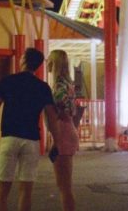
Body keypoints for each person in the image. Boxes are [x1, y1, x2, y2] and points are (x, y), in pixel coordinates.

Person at [0, 48, 58, 211]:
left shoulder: (7, 81)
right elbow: (51, 117)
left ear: (24, 60)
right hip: (31, 140)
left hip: (9, 138)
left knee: (3, 190)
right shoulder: (43, 87)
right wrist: (55, 140)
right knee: (26, 191)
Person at [47, 50, 83, 211]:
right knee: (63, 184)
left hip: (62, 132)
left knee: (64, 186)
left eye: (50, 60)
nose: (47, 63)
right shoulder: (68, 84)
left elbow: (59, 110)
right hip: (68, 129)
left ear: (55, 64)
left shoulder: (59, 86)